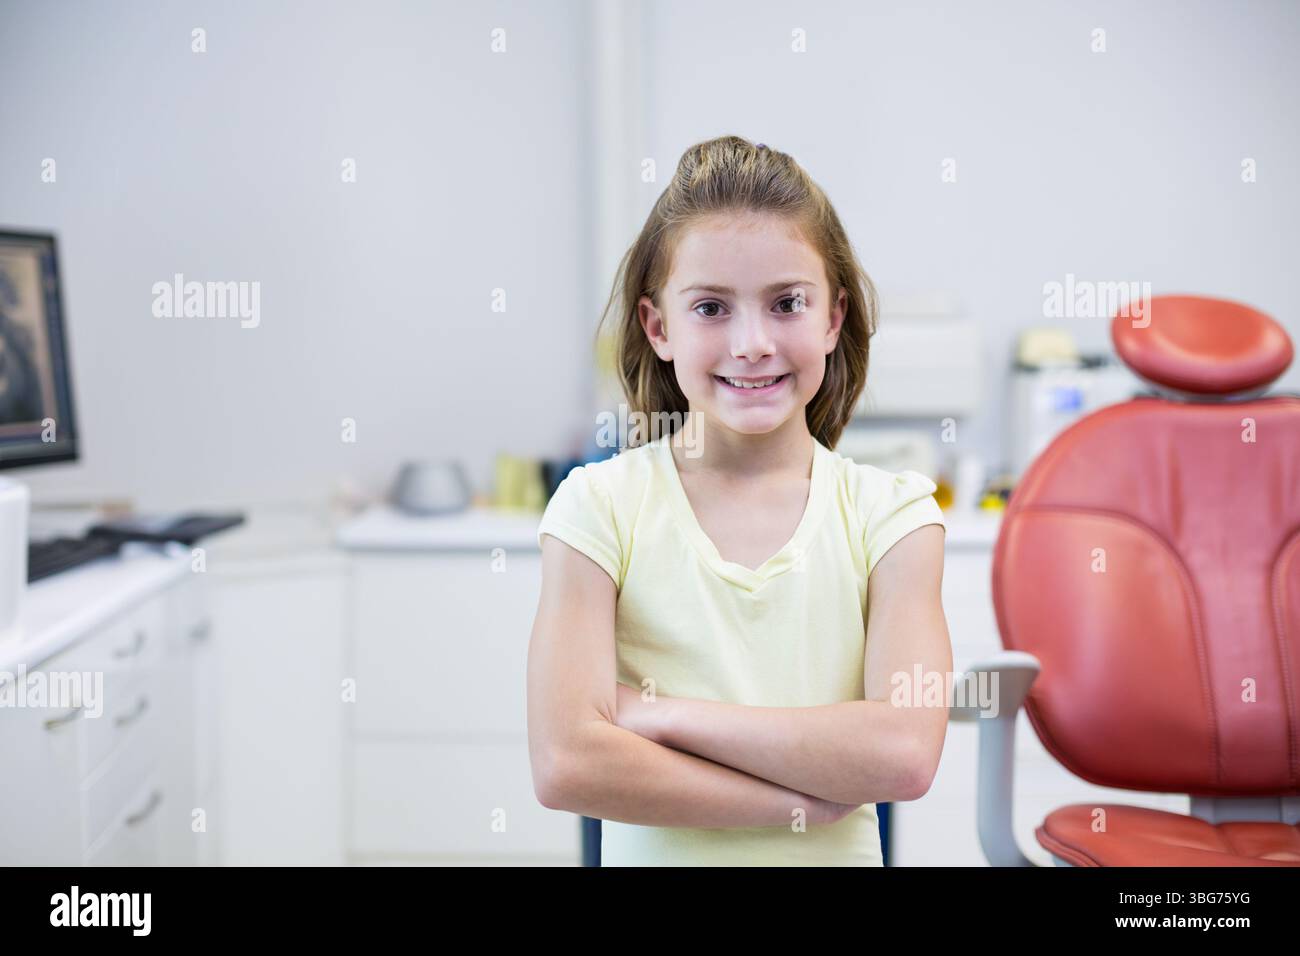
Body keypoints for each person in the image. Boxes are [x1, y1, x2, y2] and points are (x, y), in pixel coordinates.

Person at [527, 135, 951, 865]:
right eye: (712, 308)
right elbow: (568, 762)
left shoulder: (895, 518)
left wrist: (655, 714)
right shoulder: (597, 508)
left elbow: (904, 753)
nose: (752, 343)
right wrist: (799, 803)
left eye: (786, 302)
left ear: (833, 317)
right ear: (658, 327)